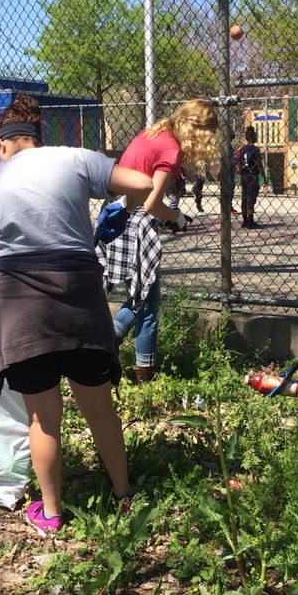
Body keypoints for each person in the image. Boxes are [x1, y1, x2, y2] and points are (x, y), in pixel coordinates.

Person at [0, 93, 153, 537]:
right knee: (100, 408)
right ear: (36, 136)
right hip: (80, 302)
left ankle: (51, 513)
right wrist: (118, 207)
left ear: (2, 144)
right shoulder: (75, 159)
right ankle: (124, 496)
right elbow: (143, 183)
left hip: (21, 309)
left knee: (42, 418)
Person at [99, 99, 219, 383]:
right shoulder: (171, 149)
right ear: (197, 131)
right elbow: (153, 203)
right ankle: (142, 377)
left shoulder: (154, 132)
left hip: (115, 217)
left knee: (139, 298)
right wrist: (177, 218)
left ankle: (109, 353)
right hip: (136, 224)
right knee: (147, 306)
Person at [234, 126, 267, 229]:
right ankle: (251, 221)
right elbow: (258, 164)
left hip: (244, 175)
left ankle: (245, 221)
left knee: (244, 197)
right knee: (251, 199)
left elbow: (239, 162)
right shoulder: (255, 149)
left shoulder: (243, 149)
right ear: (253, 137)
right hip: (252, 175)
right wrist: (264, 176)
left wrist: (241, 172)